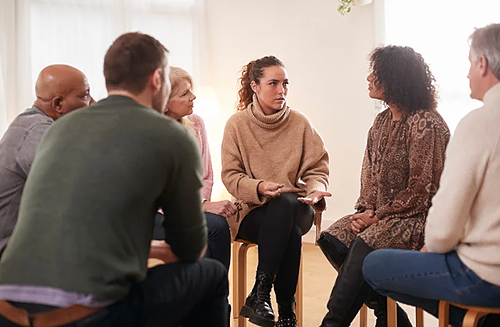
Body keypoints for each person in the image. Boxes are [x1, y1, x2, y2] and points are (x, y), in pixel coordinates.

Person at [0, 32, 228, 327]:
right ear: (157, 79)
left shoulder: (59, 129)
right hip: (76, 316)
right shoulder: (172, 135)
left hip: (7, 307)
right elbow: (189, 248)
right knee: (211, 275)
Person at [363, 24, 500, 327]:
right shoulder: (380, 122)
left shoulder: (476, 124)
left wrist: (435, 243)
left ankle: (480, 321)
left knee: (373, 264)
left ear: (483, 64)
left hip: (486, 277)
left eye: (468, 63)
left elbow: (441, 229)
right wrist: (368, 209)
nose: (466, 74)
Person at [316, 45, 450, 327]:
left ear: (394, 77)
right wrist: (364, 211)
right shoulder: (380, 122)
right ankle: (391, 317)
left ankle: (333, 322)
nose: (368, 79)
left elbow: (422, 189)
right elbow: (370, 178)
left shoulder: (426, 123)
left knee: (367, 241)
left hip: (418, 218)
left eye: (375, 73)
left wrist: (376, 218)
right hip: (382, 216)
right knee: (333, 238)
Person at [221, 55, 331, 327]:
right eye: (273, 83)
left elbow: (317, 169)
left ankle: (259, 294)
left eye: (285, 83)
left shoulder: (300, 123)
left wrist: (316, 190)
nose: (281, 90)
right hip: (254, 210)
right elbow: (231, 176)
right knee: (289, 233)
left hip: (297, 205)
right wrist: (258, 186)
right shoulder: (237, 124)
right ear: (255, 86)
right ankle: (287, 312)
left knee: (284, 204)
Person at [0, 64, 93, 254]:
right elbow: (75, 188)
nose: (93, 102)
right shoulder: (38, 130)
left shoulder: (29, 123)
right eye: (85, 95)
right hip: (11, 254)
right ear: (58, 104)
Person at [153, 66, 234, 270]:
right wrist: (201, 206)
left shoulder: (196, 123)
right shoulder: (150, 134)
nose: (193, 96)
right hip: (160, 213)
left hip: (190, 207)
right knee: (205, 230)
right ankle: (203, 294)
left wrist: (200, 203)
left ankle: (218, 298)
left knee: (219, 225)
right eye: (185, 93)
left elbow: (206, 176)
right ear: (165, 104)